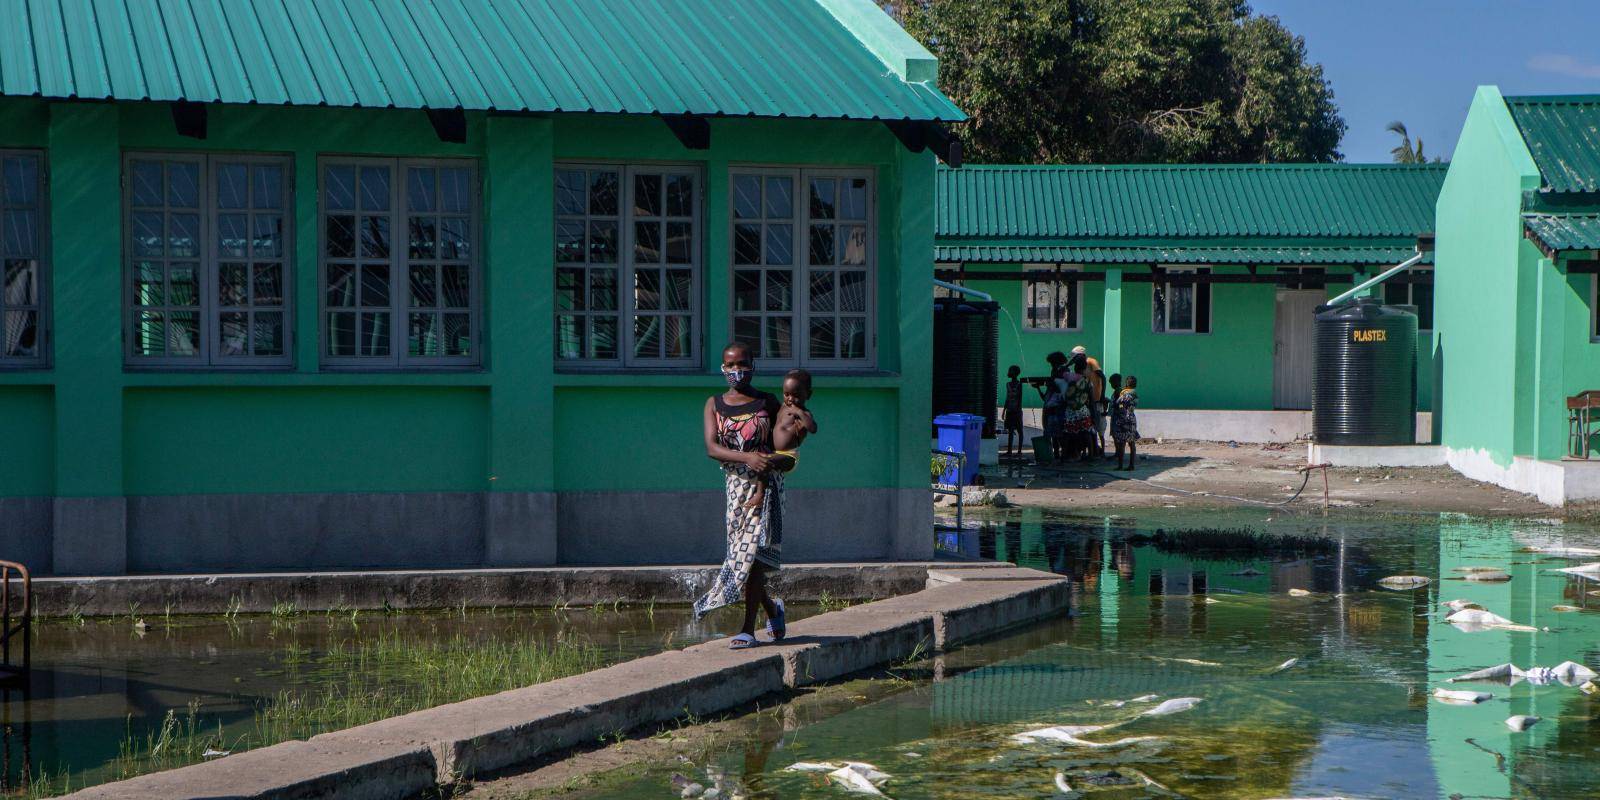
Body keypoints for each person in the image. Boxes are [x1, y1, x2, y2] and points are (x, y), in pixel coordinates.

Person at [694, 342, 785, 648]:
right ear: (722, 368)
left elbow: (784, 442)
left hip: (766, 485)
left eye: (742, 364)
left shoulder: (766, 402)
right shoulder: (714, 404)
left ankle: (747, 629)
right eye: (730, 366)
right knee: (741, 556)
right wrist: (746, 458)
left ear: (753, 365)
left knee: (754, 556)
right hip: (736, 486)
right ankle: (773, 609)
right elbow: (711, 447)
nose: (736, 371)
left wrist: (768, 463)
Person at [747, 369, 817, 510]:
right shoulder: (783, 407)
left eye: (795, 395)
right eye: (786, 394)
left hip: (789, 456)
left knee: (764, 461)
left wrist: (800, 413)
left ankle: (760, 494)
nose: (790, 399)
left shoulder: (803, 413)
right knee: (761, 459)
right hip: (774, 451)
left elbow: (813, 428)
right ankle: (761, 492)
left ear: (808, 395)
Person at [1072, 345, 1106, 458]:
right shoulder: (1078, 366)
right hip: (1085, 401)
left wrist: (1102, 395)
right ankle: (1090, 451)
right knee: (1087, 427)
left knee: (1094, 426)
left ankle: (1096, 451)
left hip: (1095, 398)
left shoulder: (1091, 361)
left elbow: (1103, 377)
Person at [1038, 352, 1070, 463]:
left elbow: (1063, 388)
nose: (1051, 365)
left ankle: (1063, 455)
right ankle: (1056, 454)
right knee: (1052, 433)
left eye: (1052, 363)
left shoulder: (1064, 371)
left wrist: (1052, 383)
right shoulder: (1055, 371)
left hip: (1059, 406)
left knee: (1059, 433)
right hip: (1051, 405)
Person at [1063, 355, 1093, 461]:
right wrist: (1092, 413)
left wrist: (1068, 364)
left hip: (1070, 410)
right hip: (1083, 410)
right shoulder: (1088, 381)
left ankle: (1064, 456)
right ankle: (1091, 455)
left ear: (1075, 367)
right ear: (1084, 369)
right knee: (1087, 433)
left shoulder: (1069, 376)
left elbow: (1059, 373)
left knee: (1068, 433)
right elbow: (1091, 399)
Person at [1111, 374, 1140, 471]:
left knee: (1122, 444)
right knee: (1131, 443)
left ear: (1126, 383)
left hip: (1123, 419)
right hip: (1131, 419)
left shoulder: (1123, 393)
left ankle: (1120, 465)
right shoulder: (1135, 394)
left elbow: (1118, 404)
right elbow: (1134, 404)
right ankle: (1131, 465)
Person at [1002, 365, 1024, 458]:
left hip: (1016, 411)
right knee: (1010, 431)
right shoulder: (1008, 384)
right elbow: (1007, 398)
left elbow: (1020, 398)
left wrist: (1018, 410)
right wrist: (1004, 410)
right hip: (1010, 410)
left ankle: (1019, 451)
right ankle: (1009, 451)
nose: (1010, 372)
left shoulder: (1019, 384)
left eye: (1011, 371)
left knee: (1019, 430)